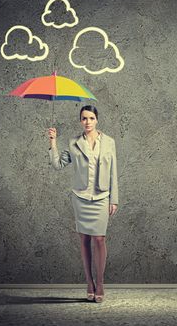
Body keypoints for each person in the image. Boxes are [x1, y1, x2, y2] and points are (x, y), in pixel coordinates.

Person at [47, 105, 118, 303]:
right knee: (84, 240)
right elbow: (57, 165)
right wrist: (53, 142)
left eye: (91, 118)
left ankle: (101, 282)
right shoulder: (73, 143)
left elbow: (113, 171)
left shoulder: (109, 142)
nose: (87, 122)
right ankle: (89, 282)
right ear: (80, 121)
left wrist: (114, 199)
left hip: (102, 197)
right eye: (84, 118)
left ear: (97, 120)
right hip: (80, 198)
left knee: (100, 239)